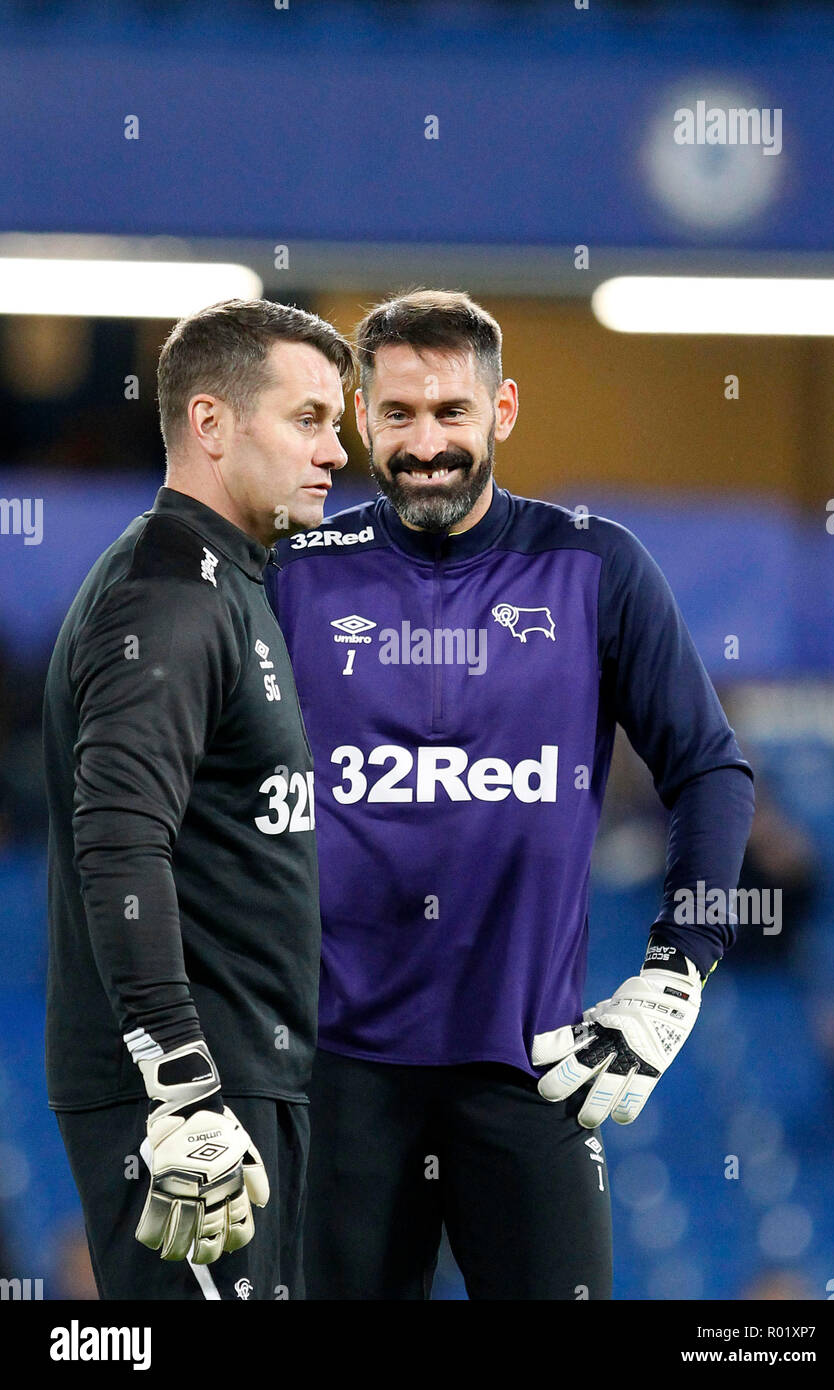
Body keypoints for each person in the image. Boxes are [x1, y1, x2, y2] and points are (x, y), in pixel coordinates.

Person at [270, 289, 756, 1301]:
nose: (424, 442)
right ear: (361, 417)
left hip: (534, 1071)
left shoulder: (594, 565)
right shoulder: (290, 575)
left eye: (451, 411)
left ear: (503, 411)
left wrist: (678, 968)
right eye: (397, 414)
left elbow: (708, 768)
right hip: (337, 1077)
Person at [44, 297, 352, 1300]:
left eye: (338, 423)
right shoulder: (165, 595)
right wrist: (181, 1081)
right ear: (212, 425)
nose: (336, 450)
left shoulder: (233, 583)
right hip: (191, 1106)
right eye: (307, 419)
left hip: (249, 1086)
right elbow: (120, 840)